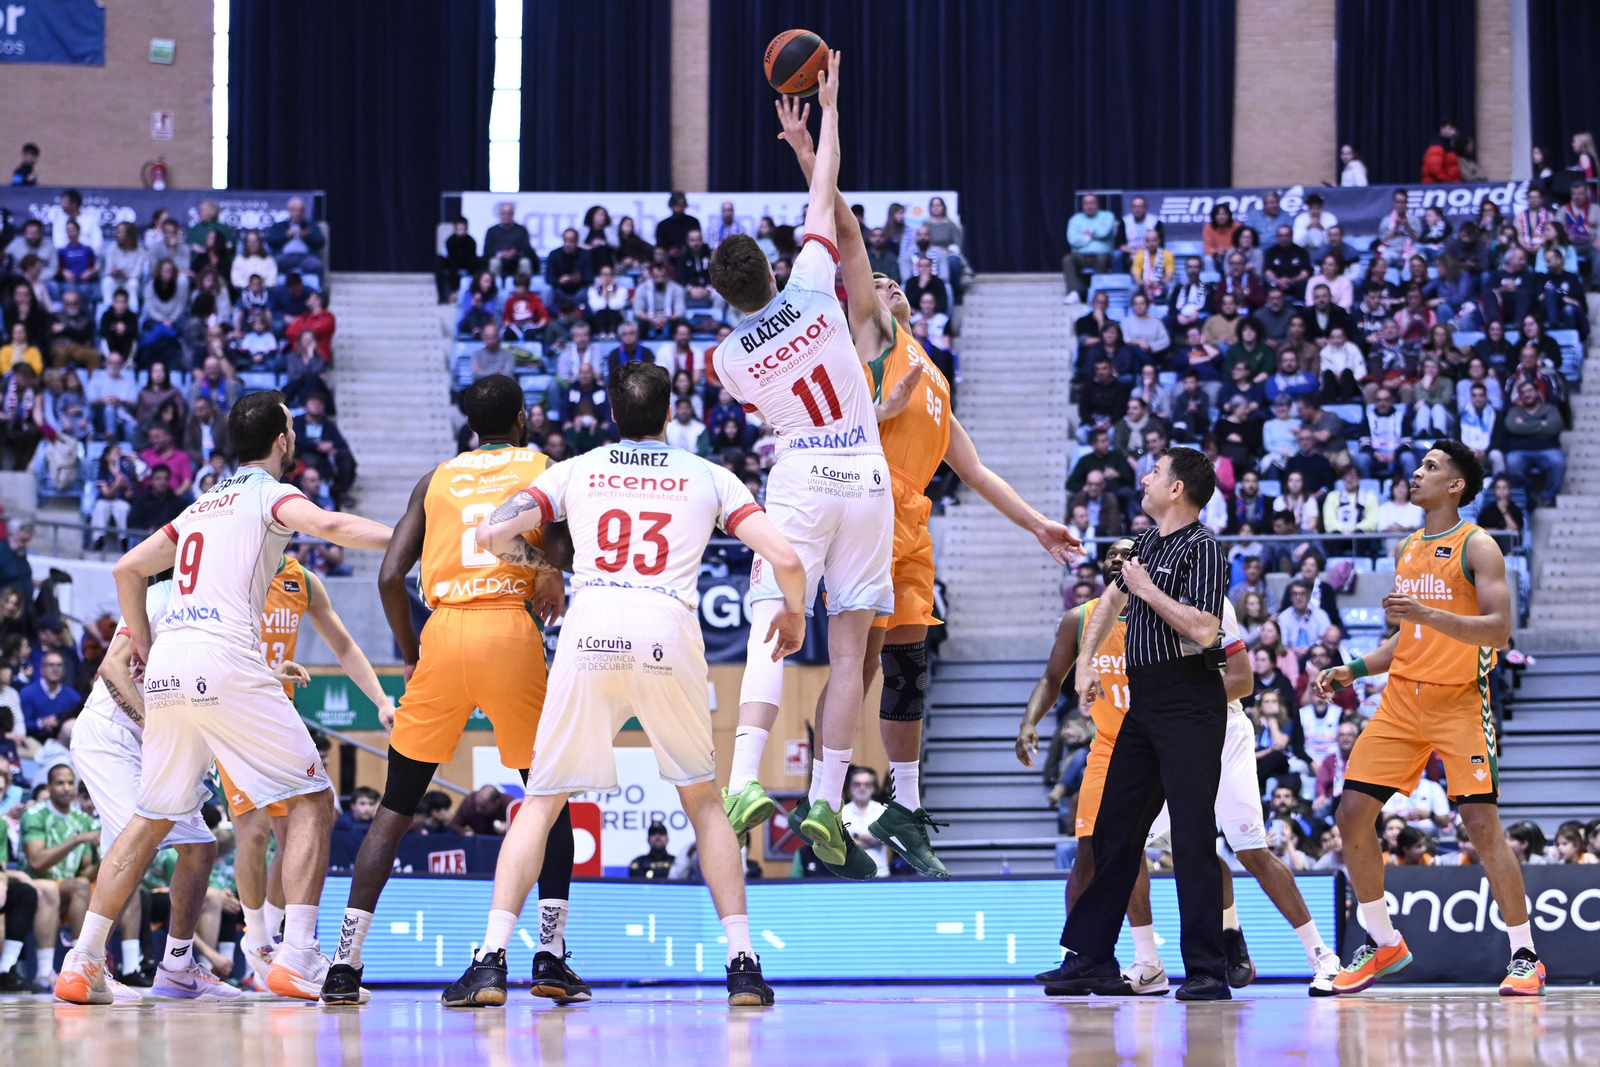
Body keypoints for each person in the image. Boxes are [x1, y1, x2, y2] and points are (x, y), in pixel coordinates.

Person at [746, 94, 1078, 879]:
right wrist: (807, 145)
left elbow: (974, 466)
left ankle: (903, 804)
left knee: (905, 671)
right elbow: (846, 231)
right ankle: (823, 796)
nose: (885, 285)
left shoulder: (929, 370)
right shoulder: (865, 336)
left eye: (895, 284)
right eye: (876, 283)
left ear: (915, 302)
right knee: (855, 667)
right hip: (862, 509)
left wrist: (1038, 525)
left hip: (912, 528)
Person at [451, 360, 811, 1010]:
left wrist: (540, 567)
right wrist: (794, 610)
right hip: (665, 632)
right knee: (703, 804)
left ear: (613, 414)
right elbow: (785, 556)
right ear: (668, 412)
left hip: (590, 629)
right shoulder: (710, 474)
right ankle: (743, 963)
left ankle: (490, 959)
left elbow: (490, 532)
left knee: (541, 801)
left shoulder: (576, 469)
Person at [53, 391, 392, 1007]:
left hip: (173, 666)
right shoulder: (268, 495)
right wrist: (413, 540)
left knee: (154, 817)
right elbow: (336, 527)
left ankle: (81, 962)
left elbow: (128, 567)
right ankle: (297, 956)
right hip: (225, 658)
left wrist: (150, 651)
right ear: (283, 441)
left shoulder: (201, 503)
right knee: (313, 800)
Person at [702, 65, 900, 879]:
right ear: (773, 269)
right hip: (869, 475)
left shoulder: (725, 357)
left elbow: (759, 397)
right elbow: (827, 200)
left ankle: (746, 781)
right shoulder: (817, 287)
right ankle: (825, 797)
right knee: (850, 653)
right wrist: (816, 125)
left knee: (771, 628)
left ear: (726, 293)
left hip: (804, 479)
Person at [322, 376, 572, 1003]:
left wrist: (412, 654)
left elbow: (387, 577)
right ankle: (549, 955)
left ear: (469, 426)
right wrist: (547, 572)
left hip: (443, 633)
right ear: (520, 420)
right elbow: (565, 549)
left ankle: (345, 965)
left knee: (395, 806)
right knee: (546, 798)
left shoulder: (434, 480)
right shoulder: (543, 467)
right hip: (509, 630)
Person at [1315, 440, 1544, 996]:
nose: (1416, 474)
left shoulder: (1479, 547)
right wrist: (1353, 669)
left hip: (1459, 701)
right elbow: (1406, 639)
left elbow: (1498, 630)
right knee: (1350, 815)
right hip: (1400, 700)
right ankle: (1382, 940)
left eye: (1431, 468)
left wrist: (1426, 613)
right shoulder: (1409, 546)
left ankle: (1525, 955)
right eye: (1419, 466)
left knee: (1482, 827)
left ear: (1456, 485)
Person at [1040, 448, 1233, 1000]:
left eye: (1155, 472)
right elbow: (1108, 602)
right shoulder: (1146, 542)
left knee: (1193, 836)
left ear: (1177, 490)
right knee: (1112, 832)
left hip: (1190, 698)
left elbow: (1202, 629)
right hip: (1143, 701)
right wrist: (1083, 664)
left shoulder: (1204, 548)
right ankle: (1092, 958)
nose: (1144, 477)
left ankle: (1205, 969)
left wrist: (1147, 589)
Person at [219, 551, 394, 993]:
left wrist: (380, 700)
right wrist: (265, 673)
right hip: (233, 711)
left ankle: (283, 939)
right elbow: (214, 647)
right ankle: (256, 938)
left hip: (281, 714)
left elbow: (345, 645)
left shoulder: (304, 580)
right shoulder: (230, 570)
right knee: (254, 834)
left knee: (306, 826)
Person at [67, 577, 240, 1001]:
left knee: (200, 847)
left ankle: (177, 967)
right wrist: (153, 727)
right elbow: (110, 668)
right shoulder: (164, 598)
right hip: (113, 737)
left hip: (153, 749)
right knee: (139, 844)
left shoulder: (220, 612)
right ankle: (84, 963)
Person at [1502, 379, 1566, 507]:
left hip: (1547, 449)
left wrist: (1525, 425)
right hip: (1520, 451)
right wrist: (1541, 424)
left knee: (1558, 461)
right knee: (1512, 461)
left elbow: (1554, 427)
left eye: (1530, 390)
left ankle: (1548, 497)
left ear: (1537, 392)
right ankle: (1524, 496)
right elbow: (1512, 427)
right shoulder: (1515, 411)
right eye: (1523, 392)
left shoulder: (1550, 409)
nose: (1527, 394)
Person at [838, 767, 890, 878]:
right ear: (850, 788)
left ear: (874, 788)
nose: (862, 788)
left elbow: (883, 838)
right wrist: (871, 838)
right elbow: (842, 844)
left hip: (880, 875)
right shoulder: (841, 813)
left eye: (867, 784)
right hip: (849, 876)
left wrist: (855, 836)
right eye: (857, 784)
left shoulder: (884, 811)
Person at [1064, 194, 1115, 302]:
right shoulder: (1075, 219)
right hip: (1080, 256)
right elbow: (1072, 240)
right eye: (1086, 203)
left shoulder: (1107, 216)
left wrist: (1087, 233)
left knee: (1102, 259)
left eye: (1092, 203)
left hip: (1101, 255)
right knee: (1068, 259)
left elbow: (1104, 233)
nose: (1089, 206)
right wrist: (1089, 237)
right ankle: (1074, 293)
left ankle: (1096, 293)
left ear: (1097, 204)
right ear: (1082, 206)